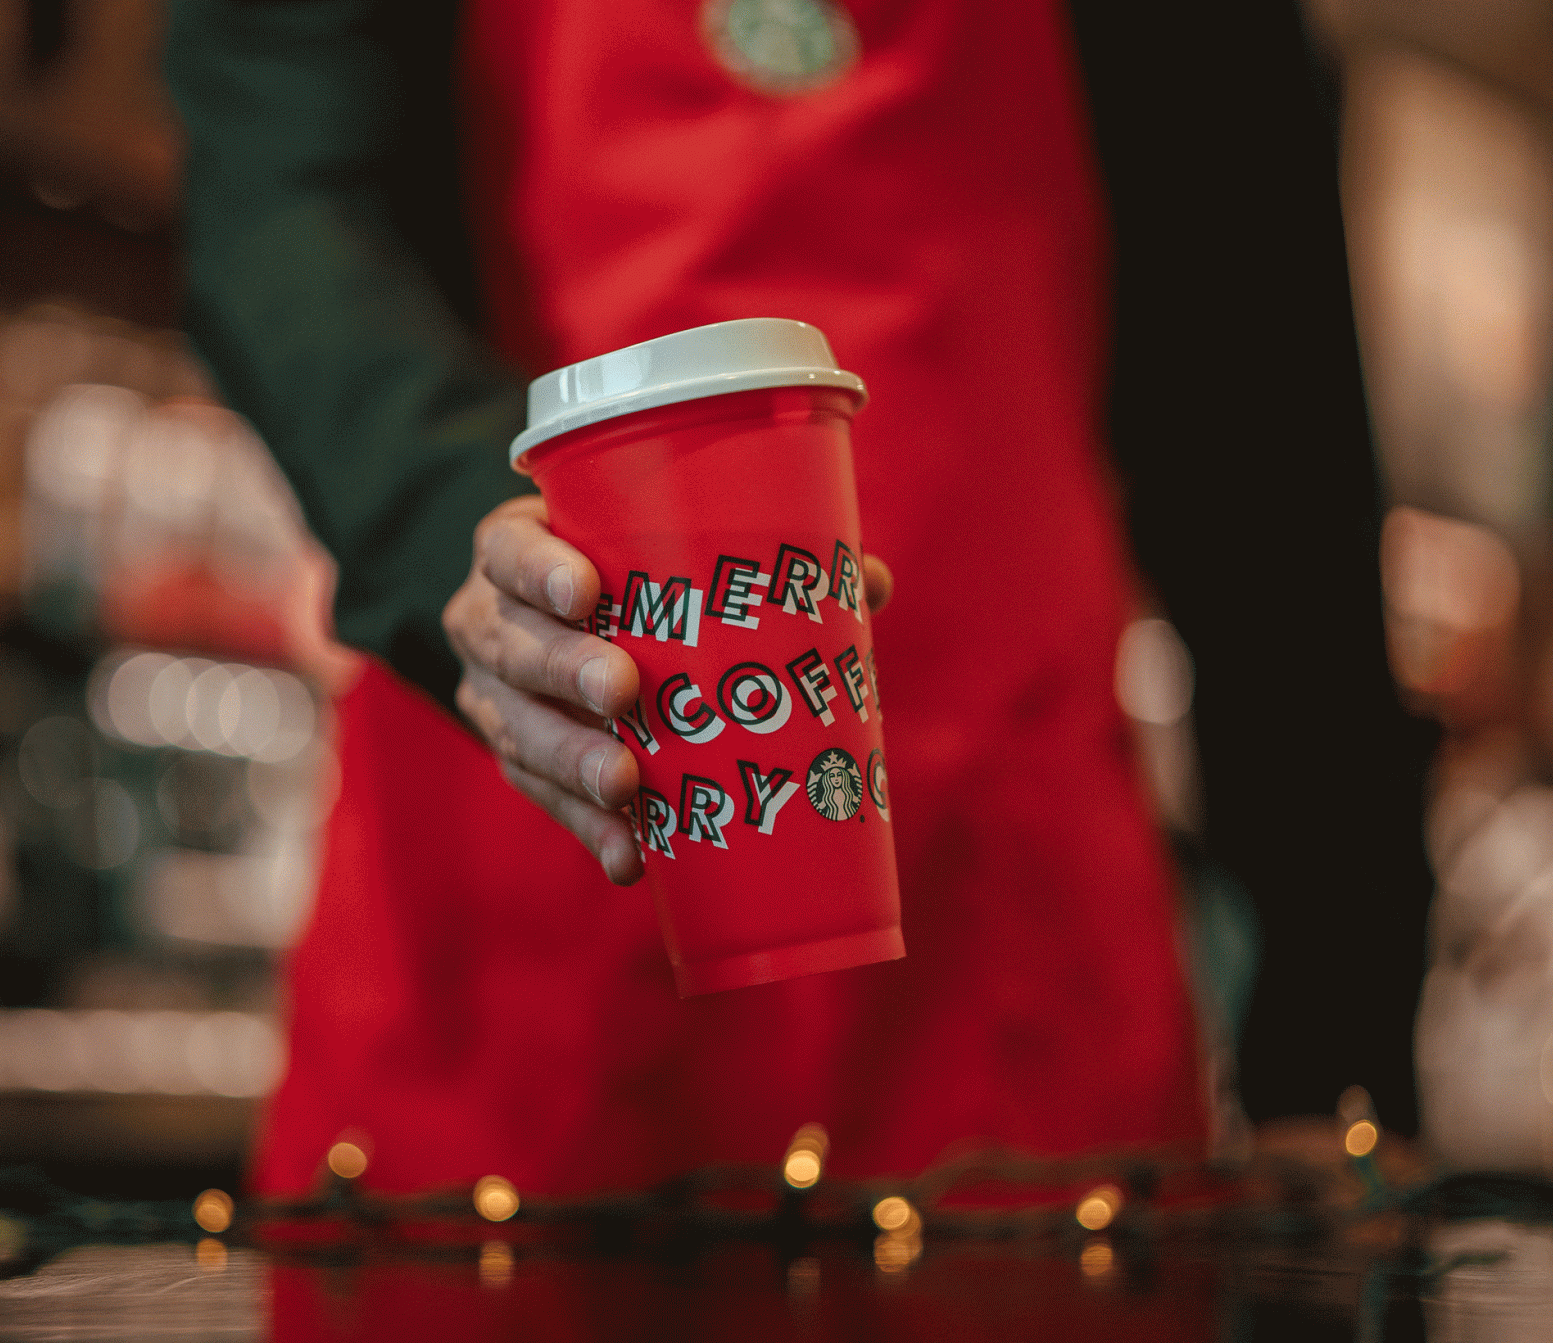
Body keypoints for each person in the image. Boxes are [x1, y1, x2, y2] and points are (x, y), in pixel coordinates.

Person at [164, 0, 1436, 1198]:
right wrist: (458, 531)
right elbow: (282, 197)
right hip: (515, 916)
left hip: (1001, 970)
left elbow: (1273, 435)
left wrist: (1333, 1039)